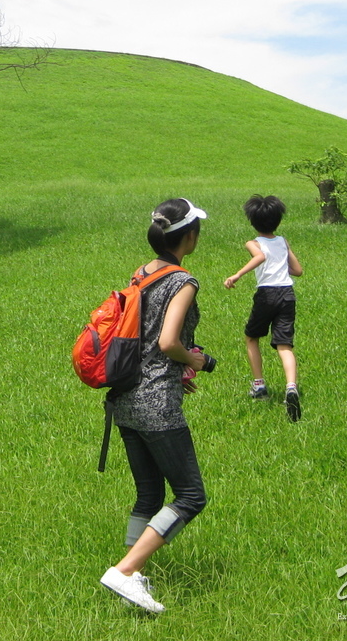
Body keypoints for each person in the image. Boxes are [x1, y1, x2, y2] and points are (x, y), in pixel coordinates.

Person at [99, 198, 212, 614]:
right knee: (191, 496)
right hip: (155, 403)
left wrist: (176, 370)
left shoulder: (143, 273)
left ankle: (131, 575)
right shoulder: (183, 280)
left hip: (125, 396)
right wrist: (195, 361)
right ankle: (126, 570)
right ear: (189, 236)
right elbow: (167, 342)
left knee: (149, 494)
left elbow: (142, 337)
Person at [223, 195, 304, 422]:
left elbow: (260, 257)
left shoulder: (254, 243)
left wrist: (237, 274)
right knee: (284, 345)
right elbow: (298, 271)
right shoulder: (283, 241)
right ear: (278, 220)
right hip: (287, 294)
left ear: (252, 221)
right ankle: (291, 387)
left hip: (267, 294)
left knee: (252, 337)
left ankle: (259, 386)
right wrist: (281, 264)